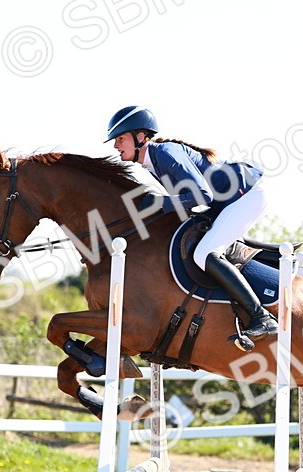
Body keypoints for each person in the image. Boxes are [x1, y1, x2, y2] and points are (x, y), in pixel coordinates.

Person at [105, 104, 278, 342]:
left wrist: (160, 203)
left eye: (120, 139)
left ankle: (261, 318)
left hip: (245, 198)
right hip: (231, 202)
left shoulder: (164, 153)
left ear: (141, 137)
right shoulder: (153, 163)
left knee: (204, 253)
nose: (116, 146)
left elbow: (202, 196)